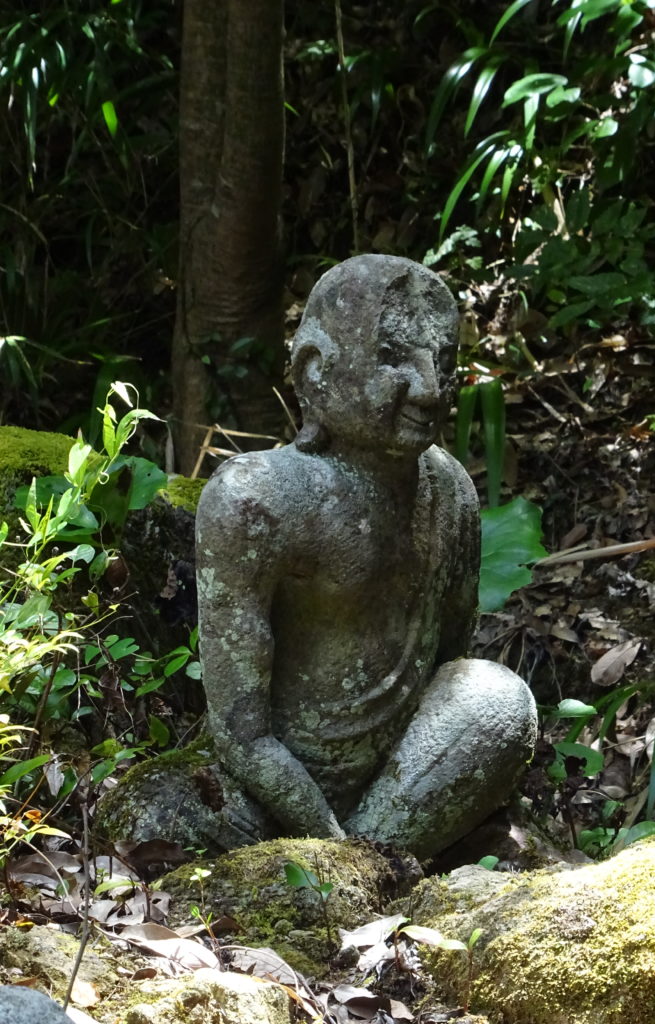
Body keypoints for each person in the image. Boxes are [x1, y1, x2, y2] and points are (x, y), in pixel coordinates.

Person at [195, 255, 536, 858]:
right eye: (394, 359)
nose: (429, 388)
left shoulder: (449, 489)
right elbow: (241, 734)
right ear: (315, 370)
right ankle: (365, 866)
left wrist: (354, 852)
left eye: (444, 361)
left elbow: (445, 676)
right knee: (156, 812)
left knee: (498, 699)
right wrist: (325, 839)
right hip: (271, 798)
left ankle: (371, 863)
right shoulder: (258, 498)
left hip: (400, 789)